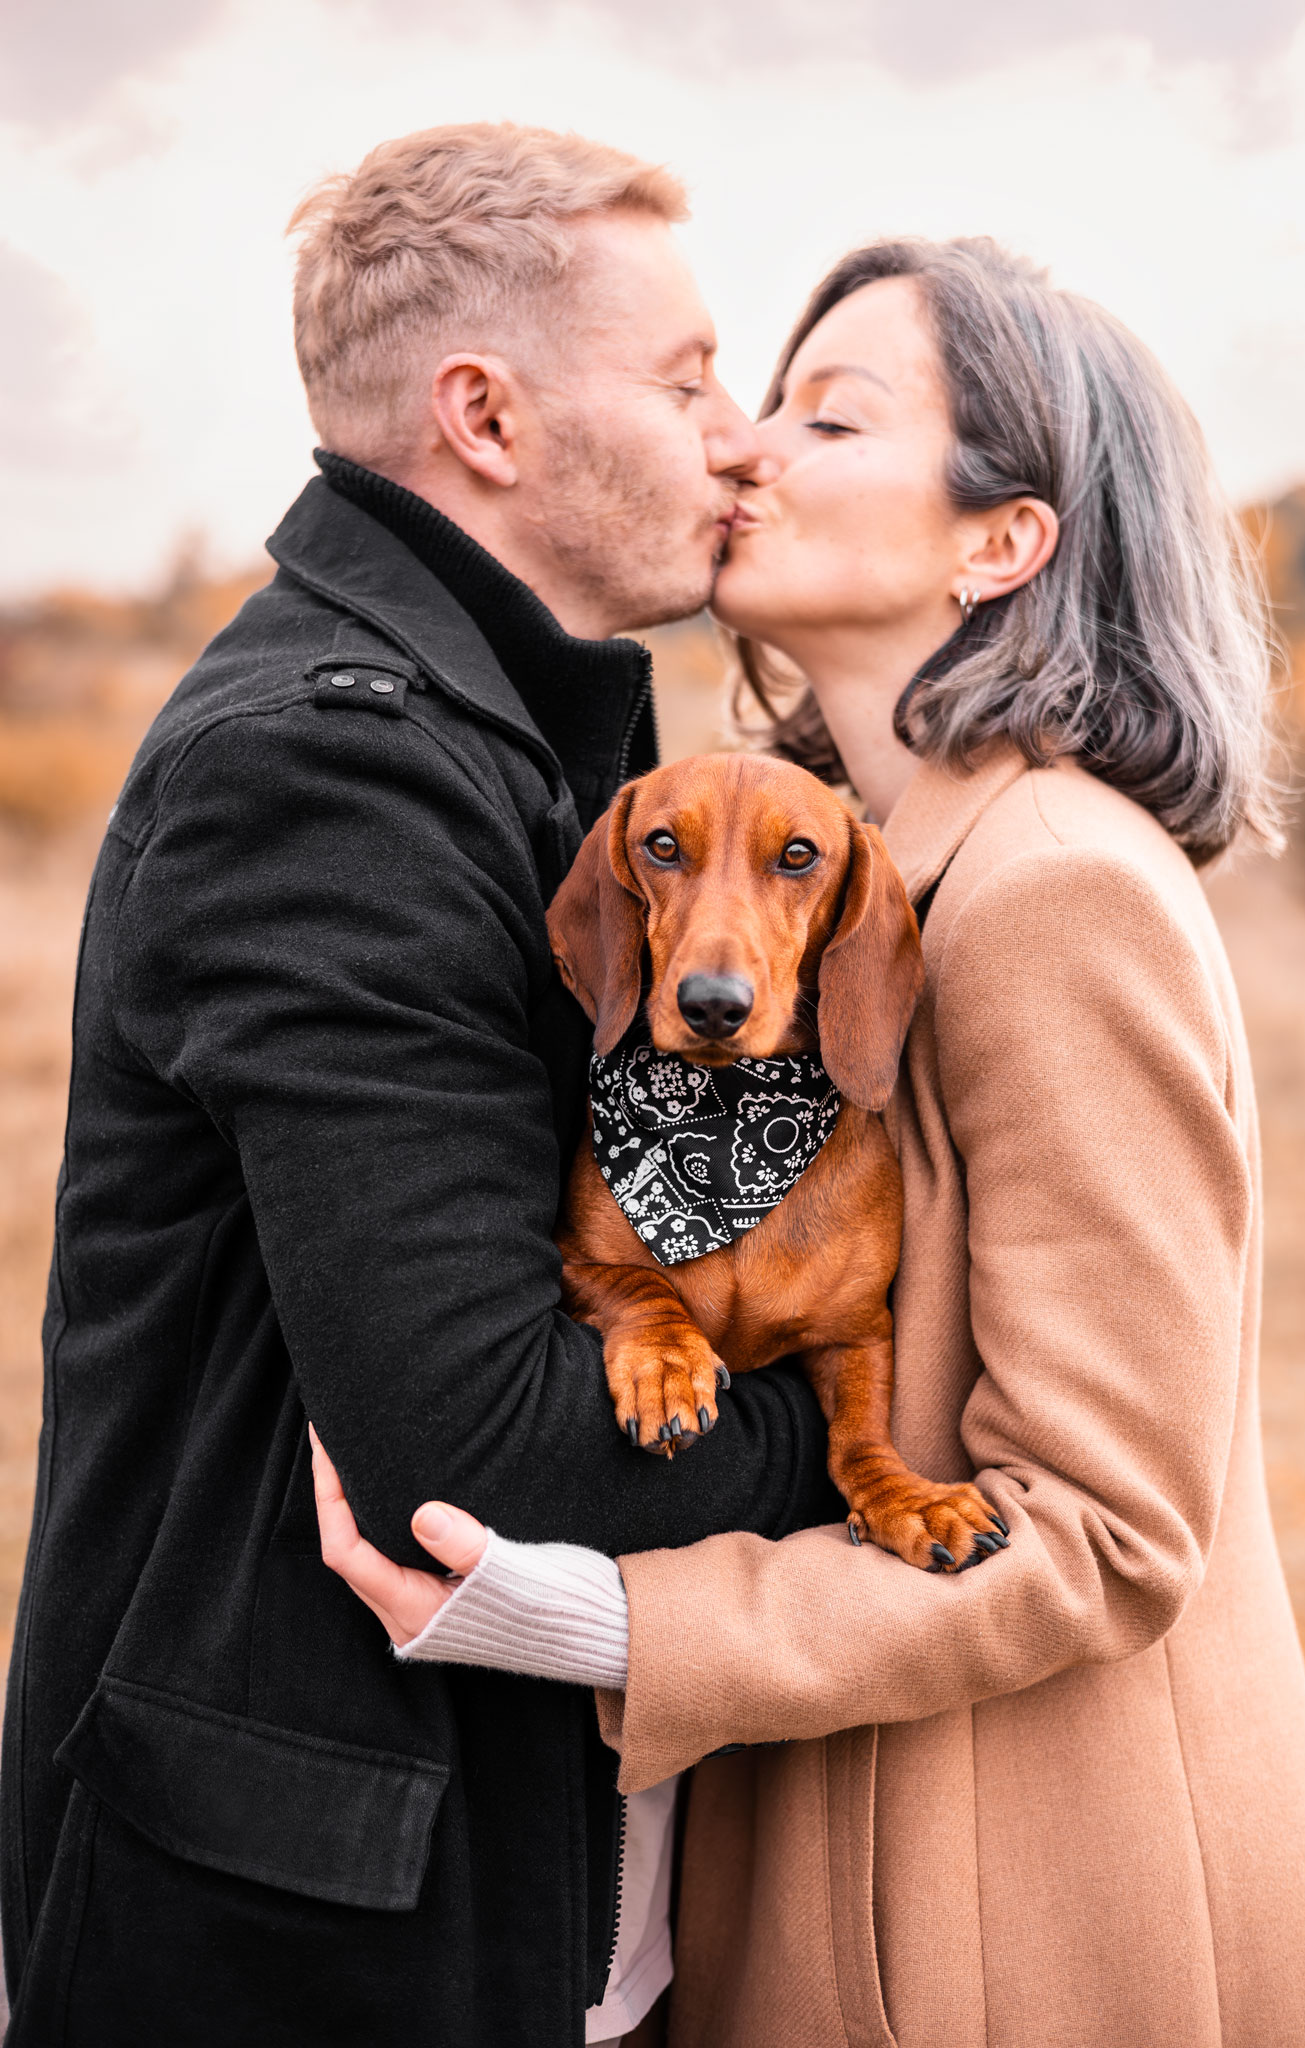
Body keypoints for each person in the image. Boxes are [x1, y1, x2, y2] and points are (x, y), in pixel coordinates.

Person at [316, 237, 1305, 2045]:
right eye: (742, 401)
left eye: (823, 414)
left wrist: (612, 1625)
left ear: (999, 542)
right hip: (862, 1844)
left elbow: (1109, 1530)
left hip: (1006, 1918)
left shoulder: (1048, 892)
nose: (743, 449)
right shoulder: (864, 859)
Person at [0, 124, 846, 2048]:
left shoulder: (506, 750)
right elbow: (487, 1444)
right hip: (303, 1927)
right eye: (685, 376)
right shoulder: (331, 771)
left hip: (486, 1870)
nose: (737, 436)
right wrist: (863, 1444)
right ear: (484, 413)